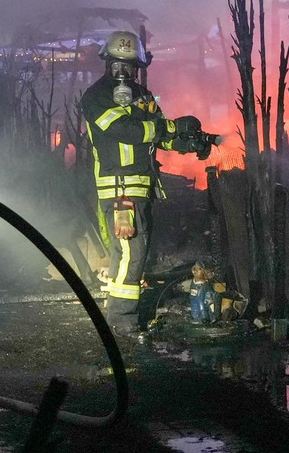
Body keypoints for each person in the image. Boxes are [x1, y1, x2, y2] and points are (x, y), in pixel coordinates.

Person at [80, 30, 200, 338]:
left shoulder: (144, 97)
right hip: (119, 189)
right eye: (117, 64)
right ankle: (121, 321)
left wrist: (186, 140)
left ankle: (124, 317)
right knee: (130, 253)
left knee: (137, 252)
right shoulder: (95, 97)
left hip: (142, 188)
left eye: (129, 66)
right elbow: (126, 130)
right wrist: (168, 127)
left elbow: (159, 133)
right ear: (106, 63)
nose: (123, 72)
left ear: (138, 67)